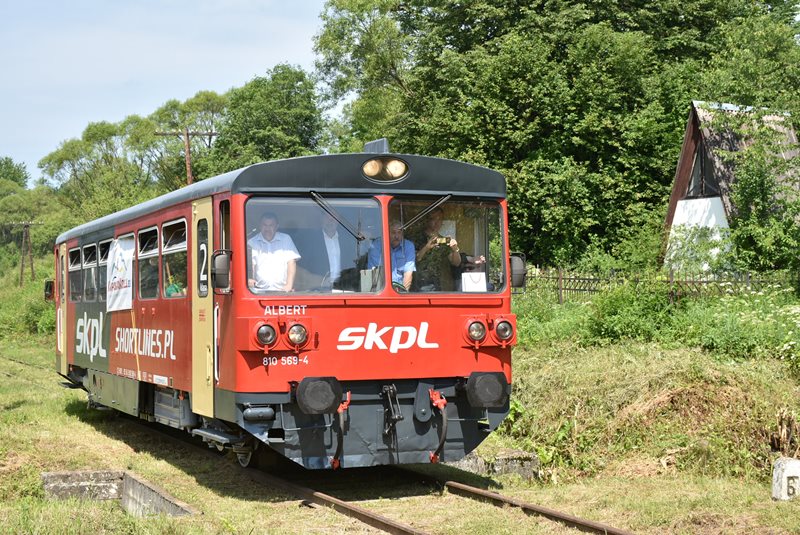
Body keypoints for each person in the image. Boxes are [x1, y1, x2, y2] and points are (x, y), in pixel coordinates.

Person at [247, 211, 301, 292]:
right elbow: (251, 265)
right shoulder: (252, 242)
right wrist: (250, 280)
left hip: (282, 291)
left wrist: (289, 285)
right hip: (259, 291)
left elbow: (291, 262)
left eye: (271, 225)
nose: (267, 228)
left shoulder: (285, 239)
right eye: (264, 225)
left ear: (277, 226)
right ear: (260, 226)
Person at [412, 208, 461, 291]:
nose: (437, 222)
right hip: (418, 283)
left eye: (440, 219)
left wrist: (455, 249)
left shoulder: (443, 240)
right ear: (427, 220)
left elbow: (456, 263)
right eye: (433, 219)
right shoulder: (417, 237)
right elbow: (414, 259)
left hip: (436, 284)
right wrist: (427, 247)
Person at [297, 212, 343, 287]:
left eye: (333, 219)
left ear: (338, 220)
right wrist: (318, 281)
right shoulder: (311, 240)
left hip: (344, 287)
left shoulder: (348, 240)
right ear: (321, 219)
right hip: (319, 288)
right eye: (327, 218)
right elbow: (304, 266)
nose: (330, 221)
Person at [367, 220, 415, 291]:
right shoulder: (376, 245)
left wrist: (403, 295)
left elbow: (408, 272)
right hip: (380, 290)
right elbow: (378, 273)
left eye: (399, 232)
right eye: (393, 232)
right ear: (386, 233)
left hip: (400, 290)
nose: (396, 236)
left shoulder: (408, 246)